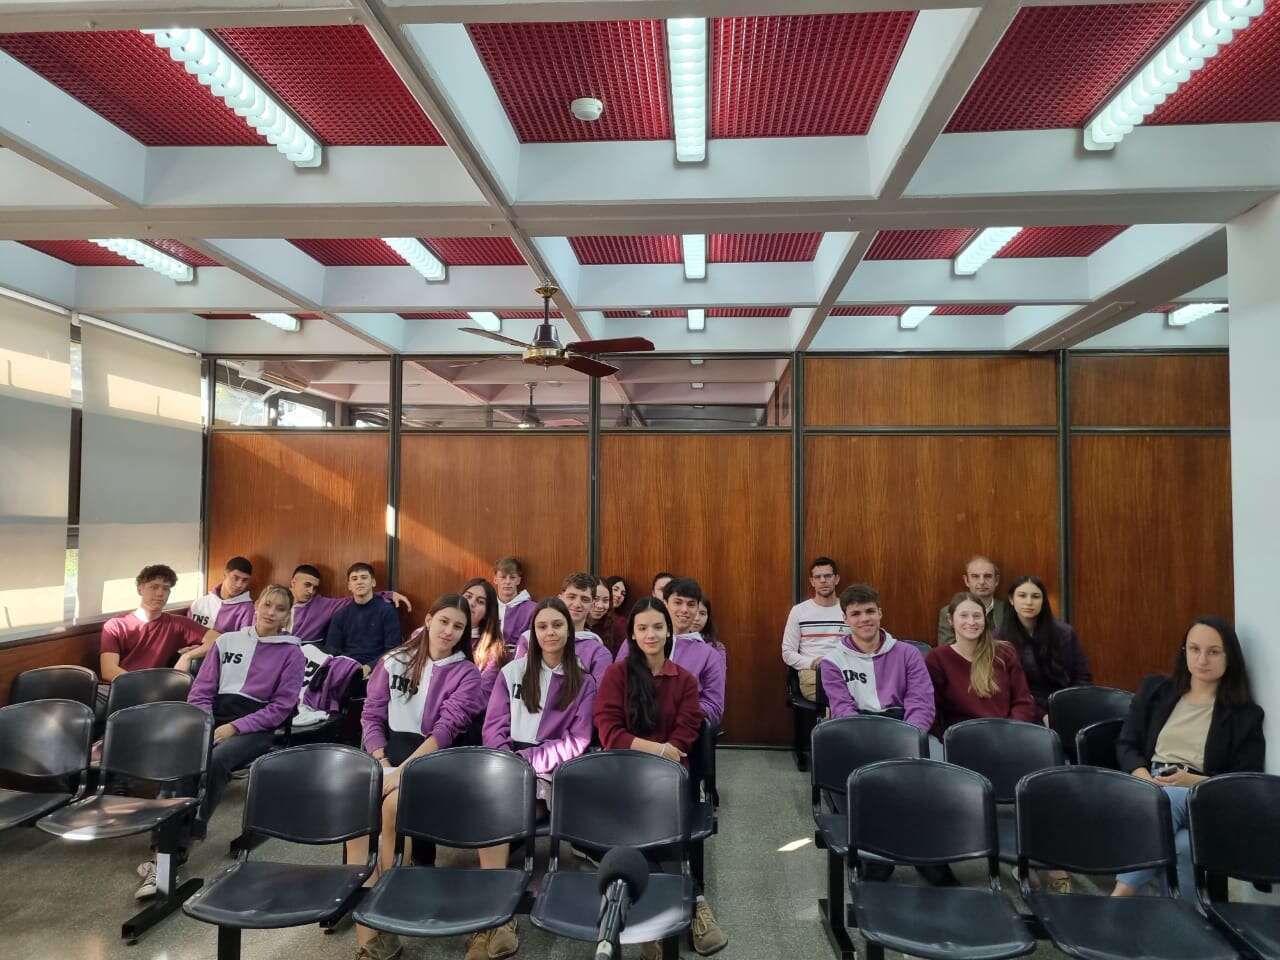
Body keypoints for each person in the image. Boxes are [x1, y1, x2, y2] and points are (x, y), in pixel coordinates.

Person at [147, 585, 308, 898]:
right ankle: (161, 844)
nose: (271, 612)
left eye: (280, 609)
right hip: (213, 717)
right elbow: (201, 691)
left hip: (255, 726)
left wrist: (234, 728)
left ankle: (182, 843)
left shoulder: (292, 653)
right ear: (256, 605)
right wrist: (207, 724)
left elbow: (281, 708)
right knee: (181, 759)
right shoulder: (227, 641)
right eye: (267, 604)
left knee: (217, 760)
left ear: (287, 615)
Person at [352, 595, 485, 960]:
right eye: (443, 621)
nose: (449, 631)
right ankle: (370, 935)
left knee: (392, 805)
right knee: (357, 816)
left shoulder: (466, 673)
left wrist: (403, 771)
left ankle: (386, 904)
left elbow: (445, 731)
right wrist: (380, 760)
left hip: (435, 762)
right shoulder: (394, 660)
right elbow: (371, 715)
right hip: (388, 756)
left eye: (458, 627)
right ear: (428, 620)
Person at [594, 598, 727, 957]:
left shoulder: (684, 680)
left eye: (657, 627)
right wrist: (657, 749)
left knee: (659, 817)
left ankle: (661, 914)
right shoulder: (616, 675)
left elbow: (685, 734)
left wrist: (665, 754)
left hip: (668, 777)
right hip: (623, 772)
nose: (650, 634)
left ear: (669, 631)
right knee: (644, 828)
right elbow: (609, 732)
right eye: (642, 628)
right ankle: (693, 902)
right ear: (633, 635)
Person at [474, 598, 598, 960]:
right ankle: (495, 917)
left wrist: (525, 763)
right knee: (489, 807)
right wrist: (507, 762)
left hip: (552, 771)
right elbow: (493, 727)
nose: (549, 633)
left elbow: (576, 741)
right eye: (542, 626)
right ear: (533, 632)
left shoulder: (583, 681)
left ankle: (494, 917)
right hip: (507, 763)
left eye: (557, 625)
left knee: (499, 811)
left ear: (569, 631)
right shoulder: (512, 672)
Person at [1112, 618, 1265, 899]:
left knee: (1167, 800)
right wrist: (1143, 778)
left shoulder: (1245, 714)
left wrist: (1192, 781)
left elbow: (1246, 780)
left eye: (1213, 652)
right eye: (1194, 649)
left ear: (1230, 657)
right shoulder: (1156, 689)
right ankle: (1185, 920)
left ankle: (1119, 896)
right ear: (1184, 651)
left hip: (1203, 794)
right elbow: (1126, 744)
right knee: (1183, 845)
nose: (1202, 659)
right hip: (1148, 782)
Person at [818, 584, 934, 733]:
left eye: (870, 611)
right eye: (856, 614)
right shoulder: (832, 662)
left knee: (935, 747)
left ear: (880, 613)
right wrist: (868, 740)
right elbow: (842, 708)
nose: (864, 619)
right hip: (857, 729)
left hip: (905, 727)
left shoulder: (909, 654)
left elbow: (921, 703)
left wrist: (910, 736)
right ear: (845, 619)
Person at [926, 593, 1036, 735]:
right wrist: (946, 740)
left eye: (977, 616)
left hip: (1008, 735)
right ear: (950, 620)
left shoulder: (1005, 652)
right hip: (963, 739)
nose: (971, 622)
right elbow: (931, 710)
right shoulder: (937, 658)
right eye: (964, 615)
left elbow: (1023, 702)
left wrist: (1011, 733)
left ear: (985, 619)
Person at [101, 564, 219, 684]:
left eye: (166, 588)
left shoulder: (178, 623)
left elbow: (218, 638)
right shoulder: (116, 625)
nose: (160, 593)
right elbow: (108, 671)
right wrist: (144, 685)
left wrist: (188, 656)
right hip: (121, 686)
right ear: (140, 589)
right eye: (154, 587)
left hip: (159, 688)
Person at [999, 575, 1091, 721]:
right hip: (1022, 711)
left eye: (1035, 596)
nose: (1029, 602)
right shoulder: (999, 638)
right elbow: (1003, 689)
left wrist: (1067, 709)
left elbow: (1082, 676)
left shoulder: (1064, 633)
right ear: (1011, 599)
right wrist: (1040, 714)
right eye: (1022, 596)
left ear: (1043, 601)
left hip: (1064, 705)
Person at [515, 573, 613, 687]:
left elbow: (599, 693)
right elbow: (515, 681)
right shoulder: (529, 639)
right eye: (571, 597)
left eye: (585, 599)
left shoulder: (598, 652)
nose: (577, 604)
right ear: (560, 598)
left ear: (592, 604)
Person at [285, 563, 410, 645]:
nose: (311, 591)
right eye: (307, 585)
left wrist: (389, 594)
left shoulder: (322, 604)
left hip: (303, 657)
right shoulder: (276, 598)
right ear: (293, 582)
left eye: (315, 588)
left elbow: (359, 597)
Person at [781, 556, 848, 701]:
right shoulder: (799, 611)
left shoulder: (849, 610)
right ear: (812, 581)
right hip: (813, 673)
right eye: (818, 577)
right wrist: (813, 663)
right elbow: (787, 653)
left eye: (828, 576)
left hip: (845, 671)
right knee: (839, 698)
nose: (823, 580)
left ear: (836, 579)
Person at [324, 563, 402, 673]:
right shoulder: (340, 615)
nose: (359, 582)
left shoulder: (387, 611)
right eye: (354, 579)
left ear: (373, 582)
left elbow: (393, 649)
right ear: (349, 586)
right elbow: (332, 650)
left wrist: (370, 667)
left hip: (376, 670)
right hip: (346, 669)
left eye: (364, 577)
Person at [936, 556, 1012, 645]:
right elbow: (946, 648)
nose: (982, 582)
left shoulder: (1009, 610)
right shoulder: (948, 611)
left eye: (987, 576)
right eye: (975, 576)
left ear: (996, 580)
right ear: (966, 581)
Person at [462, 577, 511, 703]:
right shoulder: (433, 633)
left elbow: (481, 697)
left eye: (480, 601)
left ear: (487, 613)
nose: (471, 603)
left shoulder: (493, 651)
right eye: (468, 596)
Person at [187, 556, 256, 632]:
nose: (239, 585)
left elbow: (245, 638)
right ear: (225, 574)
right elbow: (187, 632)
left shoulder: (248, 609)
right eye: (235, 578)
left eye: (245, 580)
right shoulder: (199, 603)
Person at [493, 556, 536, 649]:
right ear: (495, 579)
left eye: (512, 577)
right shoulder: (488, 607)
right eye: (503, 577)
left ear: (518, 580)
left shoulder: (532, 609)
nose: (508, 582)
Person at [587, 578, 621, 658]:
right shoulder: (575, 624)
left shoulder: (618, 626)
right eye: (595, 599)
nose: (600, 606)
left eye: (605, 600)